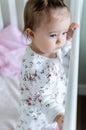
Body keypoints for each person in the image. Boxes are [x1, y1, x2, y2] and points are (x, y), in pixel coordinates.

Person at [16, 0, 79, 130]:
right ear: (31, 34)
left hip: (54, 98)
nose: (60, 40)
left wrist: (69, 38)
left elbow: (61, 49)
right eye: (53, 35)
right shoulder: (34, 69)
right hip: (36, 117)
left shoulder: (48, 47)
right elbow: (42, 98)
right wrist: (58, 116)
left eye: (63, 32)